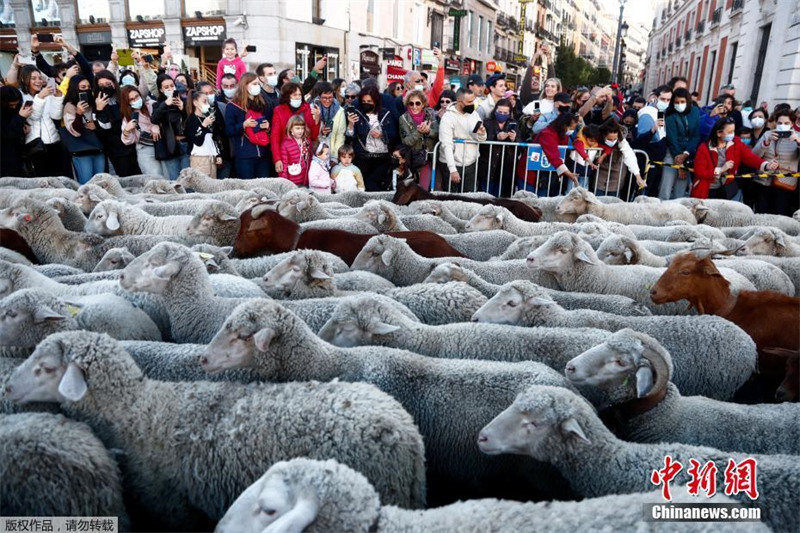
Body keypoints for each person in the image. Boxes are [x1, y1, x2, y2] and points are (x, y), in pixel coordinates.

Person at [693, 117, 778, 200]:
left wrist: (766, 165)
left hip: (724, 189)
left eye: (733, 131)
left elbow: (750, 157)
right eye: (729, 132)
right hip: (705, 189)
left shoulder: (736, 143)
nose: (732, 134)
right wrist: (721, 169)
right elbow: (700, 172)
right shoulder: (704, 148)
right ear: (719, 133)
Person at [18, 65, 68, 177]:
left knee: (60, 176)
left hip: (54, 141)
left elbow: (56, 116)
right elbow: (33, 117)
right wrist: (40, 97)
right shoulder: (21, 96)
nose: (38, 81)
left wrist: (57, 97)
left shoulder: (47, 94)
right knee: (44, 179)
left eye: (40, 78)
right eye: (33, 78)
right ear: (24, 79)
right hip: (36, 145)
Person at [345, 84, 397, 191]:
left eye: (369, 101)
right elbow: (350, 137)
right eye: (364, 102)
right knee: (365, 187)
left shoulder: (385, 114)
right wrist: (350, 124)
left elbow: (393, 134)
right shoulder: (357, 114)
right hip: (363, 158)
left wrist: (382, 134)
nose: (366, 104)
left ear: (375, 101)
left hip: (382, 158)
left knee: (377, 187)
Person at [436, 87, 487, 192]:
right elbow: (447, 144)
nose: (472, 104)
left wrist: (482, 133)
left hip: (471, 163)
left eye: (473, 100)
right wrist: (452, 169)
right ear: (459, 101)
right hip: (451, 164)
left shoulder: (474, 114)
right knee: (451, 198)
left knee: (469, 198)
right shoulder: (447, 117)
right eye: (469, 101)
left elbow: (481, 139)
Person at [224, 73, 273, 179]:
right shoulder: (232, 106)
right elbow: (229, 130)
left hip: (263, 153)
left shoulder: (263, 103)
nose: (258, 87)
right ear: (245, 85)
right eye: (254, 84)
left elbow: (270, 127)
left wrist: (268, 127)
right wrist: (243, 125)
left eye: (258, 84)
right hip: (244, 155)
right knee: (247, 189)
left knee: (263, 187)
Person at [752, 109, 800, 215]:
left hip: (785, 182)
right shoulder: (767, 134)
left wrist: (798, 141)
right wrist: (766, 142)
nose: (782, 125)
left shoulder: (797, 136)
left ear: (792, 123)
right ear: (775, 123)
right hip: (764, 181)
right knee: (761, 213)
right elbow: (754, 155)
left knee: (780, 214)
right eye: (779, 123)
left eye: (786, 123)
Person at [93, 70, 140, 176]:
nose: (105, 87)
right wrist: (100, 110)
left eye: (108, 84)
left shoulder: (122, 97)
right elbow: (105, 129)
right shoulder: (96, 103)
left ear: (114, 83)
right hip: (116, 150)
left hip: (133, 144)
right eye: (101, 85)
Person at [522, 111, 579, 196]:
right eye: (571, 128)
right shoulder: (548, 134)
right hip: (531, 173)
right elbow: (554, 156)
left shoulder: (563, 134)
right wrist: (569, 173)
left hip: (546, 175)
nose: (572, 131)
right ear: (564, 125)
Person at [270, 81, 320, 176]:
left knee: (304, 183)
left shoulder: (307, 108)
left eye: (299, 95)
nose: (298, 97)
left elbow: (313, 135)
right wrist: (277, 159)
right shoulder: (279, 110)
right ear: (287, 96)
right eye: (294, 95)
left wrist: (317, 120)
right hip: (286, 154)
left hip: (303, 154)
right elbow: (275, 137)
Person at [61, 75, 104, 183]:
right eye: (82, 87)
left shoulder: (94, 103)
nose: (86, 90)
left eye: (88, 87)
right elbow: (74, 131)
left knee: (101, 182)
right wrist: (79, 114)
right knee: (86, 184)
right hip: (81, 152)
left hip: (97, 148)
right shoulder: (69, 106)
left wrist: (96, 125)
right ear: (75, 88)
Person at [661, 87, 701, 200]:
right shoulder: (670, 114)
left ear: (688, 101)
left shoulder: (695, 111)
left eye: (682, 102)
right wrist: (679, 164)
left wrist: (686, 154)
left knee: (681, 190)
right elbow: (672, 139)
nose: (679, 104)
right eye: (676, 102)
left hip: (687, 154)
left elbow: (695, 135)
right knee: (666, 188)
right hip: (672, 153)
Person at [151, 73, 188, 180]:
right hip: (169, 146)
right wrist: (165, 104)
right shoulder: (158, 105)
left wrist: (183, 108)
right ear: (161, 90)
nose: (170, 89)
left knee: (187, 178)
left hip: (185, 143)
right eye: (166, 87)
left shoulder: (183, 101)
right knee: (174, 179)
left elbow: (191, 122)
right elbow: (154, 119)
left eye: (172, 86)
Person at [593, 120, 644, 199]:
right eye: (609, 139)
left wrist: (637, 175)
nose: (612, 141)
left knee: (613, 202)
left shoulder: (622, 140)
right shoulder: (597, 137)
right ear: (603, 135)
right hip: (600, 174)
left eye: (615, 139)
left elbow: (630, 156)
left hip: (617, 175)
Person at [398, 89, 438, 190]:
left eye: (417, 103)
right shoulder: (403, 118)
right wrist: (419, 132)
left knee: (428, 187)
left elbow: (437, 133)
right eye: (411, 103)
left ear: (423, 104)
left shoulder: (430, 114)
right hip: (412, 157)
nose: (414, 106)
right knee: (414, 188)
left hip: (429, 157)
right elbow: (406, 141)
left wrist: (428, 131)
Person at [119, 86, 163, 176]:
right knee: (156, 177)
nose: (135, 100)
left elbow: (163, 118)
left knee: (169, 175)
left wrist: (155, 125)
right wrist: (127, 130)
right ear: (127, 102)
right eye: (131, 99)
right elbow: (128, 141)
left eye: (137, 96)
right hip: (145, 148)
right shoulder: (128, 117)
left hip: (162, 143)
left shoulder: (151, 104)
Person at [481, 97, 519, 197]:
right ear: (495, 110)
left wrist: (514, 139)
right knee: (486, 197)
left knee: (501, 198)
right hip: (488, 166)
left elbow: (521, 146)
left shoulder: (514, 123)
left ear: (510, 113)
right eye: (500, 112)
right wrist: (495, 137)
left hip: (506, 169)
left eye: (505, 113)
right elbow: (481, 141)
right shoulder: (487, 122)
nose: (502, 114)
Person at [637, 85, 670, 196]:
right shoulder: (646, 113)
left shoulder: (663, 113)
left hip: (657, 162)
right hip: (646, 162)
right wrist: (652, 130)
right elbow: (641, 140)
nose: (665, 102)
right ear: (655, 98)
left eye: (668, 100)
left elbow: (662, 135)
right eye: (663, 99)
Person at [196, 81, 233, 179]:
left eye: (211, 92)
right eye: (206, 94)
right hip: (206, 156)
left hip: (224, 153)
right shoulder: (196, 112)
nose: (209, 96)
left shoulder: (222, 107)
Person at [185, 91, 222, 178]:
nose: (207, 104)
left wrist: (218, 154)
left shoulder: (208, 118)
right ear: (195, 103)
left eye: (208, 101)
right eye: (204, 101)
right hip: (199, 159)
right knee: (201, 186)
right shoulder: (191, 120)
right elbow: (197, 141)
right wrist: (204, 125)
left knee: (212, 186)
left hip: (211, 158)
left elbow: (214, 138)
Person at [312, 81, 345, 161]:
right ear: (319, 97)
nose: (327, 100)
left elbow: (340, 136)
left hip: (332, 153)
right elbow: (309, 133)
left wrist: (335, 157)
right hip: (315, 154)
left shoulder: (339, 111)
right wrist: (321, 132)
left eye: (330, 97)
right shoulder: (312, 109)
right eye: (324, 98)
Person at [1, 85, 30, 176]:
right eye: (11, 105)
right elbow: (6, 133)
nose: (14, 107)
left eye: (16, 105)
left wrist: (24, 125)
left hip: (18, 155)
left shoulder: (15, 110)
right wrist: (20, 118)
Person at [279, 115, 311, 186]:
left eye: (302, 128)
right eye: (297, 128)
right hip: (292, 182)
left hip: (305, 179)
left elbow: (308, 160)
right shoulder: (285, 144)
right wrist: (285, 184)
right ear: (290, 129)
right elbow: (284, 165)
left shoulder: (306, 141)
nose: (300, 131)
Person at [569, 123, 603, 192]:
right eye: (591, 140)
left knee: (584, 191)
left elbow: (608, 148)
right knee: (570, 190)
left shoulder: (597, 143)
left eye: (594, 141)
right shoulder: (578, 141)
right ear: (585, 136)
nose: (592, 143)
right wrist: (590, 162)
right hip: (574, 170)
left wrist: (603, 155)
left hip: (586, 171)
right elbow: (582, 152)